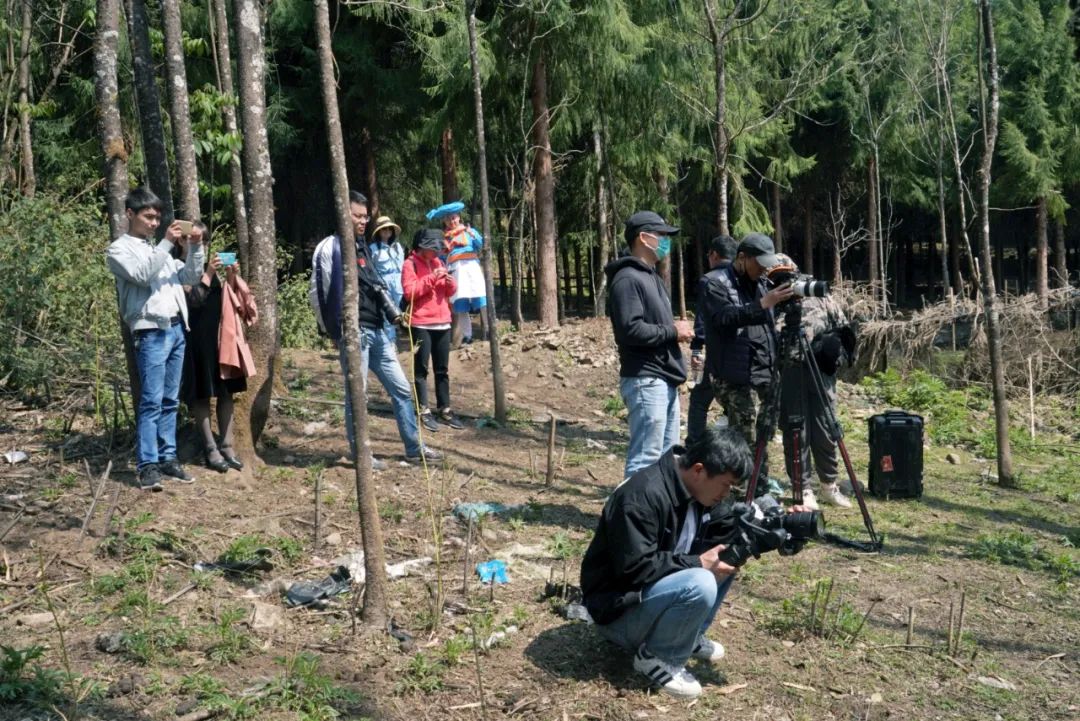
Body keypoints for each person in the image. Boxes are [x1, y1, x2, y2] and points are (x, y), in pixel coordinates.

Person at [579, 428, 749, 699]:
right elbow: (634, 570)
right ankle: (658, 657)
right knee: (702, 578)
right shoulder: (641, 495)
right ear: (698, 470)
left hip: (649, 599)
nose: (727, 494)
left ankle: (686, 637)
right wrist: (697, 562)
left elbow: (729, 536)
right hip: (617, 614)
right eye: (726, 484)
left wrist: (772, 529)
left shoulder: (700, 493)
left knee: (727, 558)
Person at [310, 191, 443, 467]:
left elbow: (375, 285)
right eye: (356, 215)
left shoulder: (363, 247)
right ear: (342, 214)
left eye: (364, 216)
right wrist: (333, 332)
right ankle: (362, 456)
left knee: (402, 389)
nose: (362, 221)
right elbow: (319, 293)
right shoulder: (331, 247)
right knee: (358, 396)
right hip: (354, 332)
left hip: (378, 331)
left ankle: (413, 448)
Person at [106, 187, 205, 491]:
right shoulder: (119, 250)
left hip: (177, 330)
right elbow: (141, 275)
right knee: (150, 401)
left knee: (169, 400)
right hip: (150, 332)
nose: (153, 222)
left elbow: (189, 278)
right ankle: (147, 465)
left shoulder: (157, 249)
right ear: (130, 214)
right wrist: (166, 243)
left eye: (157, 218)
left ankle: (168, 458)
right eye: (148, 216)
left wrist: (196, 248)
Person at [701, 233, 794, 496]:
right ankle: (740, 495)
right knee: (744, 439)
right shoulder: (714, 283)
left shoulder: (762, 282)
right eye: (759, 263)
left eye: (768, 264)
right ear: (742, 258)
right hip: (736, 377)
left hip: (765, 372)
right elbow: (723, 319)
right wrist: (763, 304)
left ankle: (759, 488)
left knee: (764, 434)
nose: (764, 268)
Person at [605, 211, 695, 480]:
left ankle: (656, 516)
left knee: (666, 460)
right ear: (644, 238)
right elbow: (630, 330)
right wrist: (672, 330)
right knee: (645, 459)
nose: (666, 242)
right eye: (662, 235)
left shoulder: (651, 277)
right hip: (646, 379)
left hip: (664, 378)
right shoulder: (627, 279)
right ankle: (632, 518)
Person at [771, 254, 854, 509]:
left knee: (826, 427)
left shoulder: (817, 292)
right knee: (796, 431)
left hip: (821, 371)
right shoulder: (770, 298)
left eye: (788, 274)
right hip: (789, 371)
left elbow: (843, 327)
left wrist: (835, 354)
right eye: (778, 276)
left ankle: (829, 485)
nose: (786, 280)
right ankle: (803, 488)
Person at [181, 221, 257, 473]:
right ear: (182, 241)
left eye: (201, 240)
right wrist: (210, 274)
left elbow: (231, 299)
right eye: (192, 240)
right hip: (198, 340)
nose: (197, 245)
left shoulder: (207, 267)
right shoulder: (178, 269)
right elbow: (194, 302)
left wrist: (231, 275)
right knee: (202, 393)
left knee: (226, 392)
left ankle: (227, 445)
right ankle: (210, 448)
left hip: (222, 339)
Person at [401, 228, 464, 432]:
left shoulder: (438, 262)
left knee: (442, 369)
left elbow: (449, 291)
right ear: (423, 247)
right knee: (421, 369)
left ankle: (445, 408)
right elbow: (410, 292)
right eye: (433, 250)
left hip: (443, 321)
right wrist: (430, 280)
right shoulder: (409, 264)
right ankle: (423, 410)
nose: (437, 254)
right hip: (420, 323)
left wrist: (449, 282)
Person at [686, 235, 738, 447]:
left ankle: (695, 444)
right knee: (735, 403)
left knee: (700, 399)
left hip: (715, 353)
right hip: (741, 353)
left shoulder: (709, 280)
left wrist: (697, 348)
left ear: (714, 255)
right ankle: (732, 445)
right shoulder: (743, 279)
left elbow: (702, 319)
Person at [426, 201, 486, 346]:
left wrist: (473, 234)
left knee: (481, 299)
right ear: (445, 222)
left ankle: (489, 331)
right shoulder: (445, 238)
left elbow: (481, 244)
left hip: (472, 267)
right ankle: (467, 336)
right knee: (460, 303)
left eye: (454, 217)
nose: (452, 221)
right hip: (455, 269)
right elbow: (440, 257)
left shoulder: (469, 231)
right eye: (448, 219)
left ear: (459, 217)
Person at [368, 215, 405, 341]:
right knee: (388, 312)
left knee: (401, 311)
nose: (387, 232)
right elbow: (371, 268)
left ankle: (401, 335)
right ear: (379, 232)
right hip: (384, 283)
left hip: (399, 282)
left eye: (390, 229)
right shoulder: (373, 249)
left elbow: (403, 265)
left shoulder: (398, 247)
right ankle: (391, 341)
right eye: (384, 229)